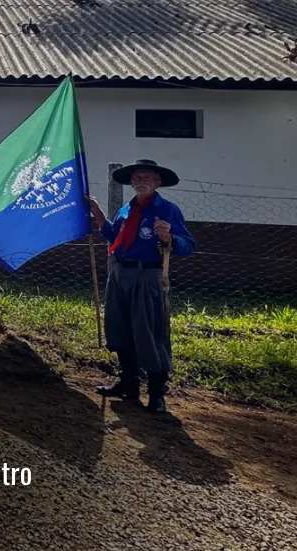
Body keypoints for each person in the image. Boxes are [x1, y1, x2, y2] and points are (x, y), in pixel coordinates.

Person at [87, 159, 196, 415]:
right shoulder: (126, 210)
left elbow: (188, 247)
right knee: (119, 327)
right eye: (136, 176)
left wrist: (170, 237)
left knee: (150, 332)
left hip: (148, 277)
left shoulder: (168, 211)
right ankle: (128, 384)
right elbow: (114, 235)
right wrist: (97, 211)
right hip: (120, 273)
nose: (140, 180)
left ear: (158, 182)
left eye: (147, 176)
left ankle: (157, 394)